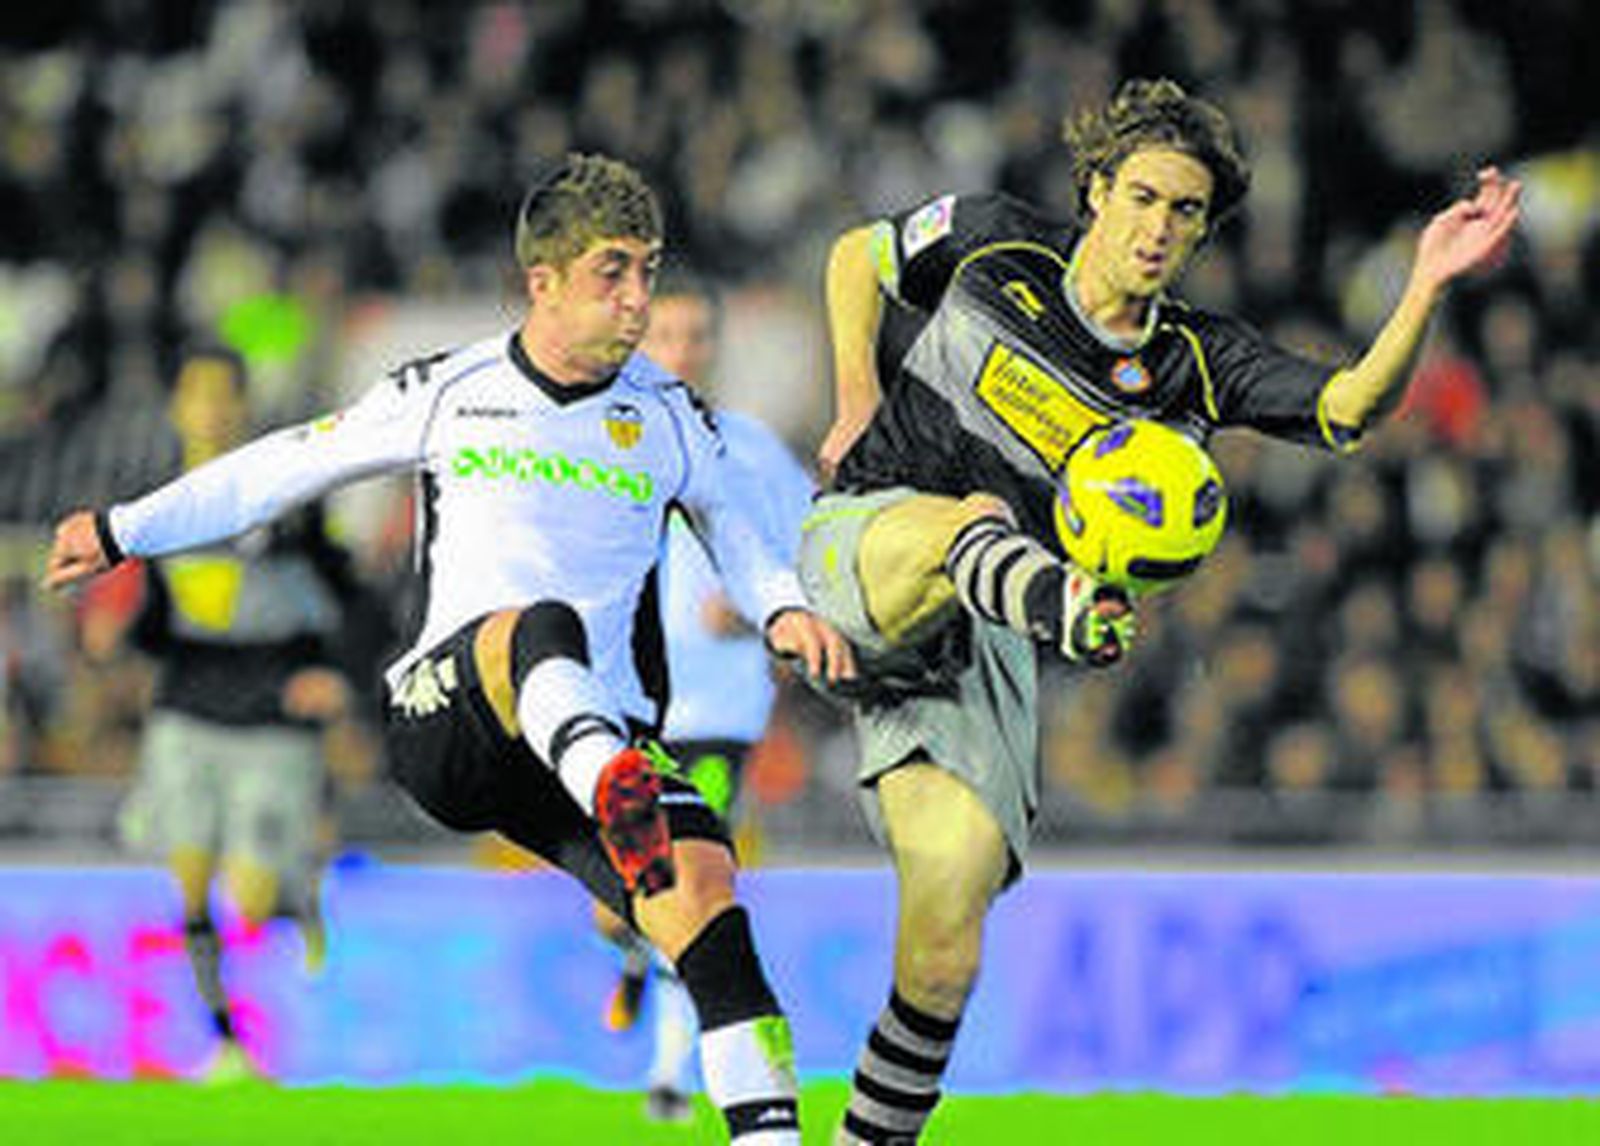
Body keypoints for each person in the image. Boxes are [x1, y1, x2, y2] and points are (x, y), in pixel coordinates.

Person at [45, 153, 855, 1143]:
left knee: (709, 904)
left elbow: (739, 533)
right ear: (543, 280)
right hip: (451, 720)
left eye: (648, 270)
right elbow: (282, 470)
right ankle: (612, 782)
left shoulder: (669, 414)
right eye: (613, 272)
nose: (639, 300)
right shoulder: (448, 389)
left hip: (587, 743)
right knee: (533, 628)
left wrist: (779, 611)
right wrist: (125, 527)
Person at [800, 77, 1519, 1143]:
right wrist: (856, 392)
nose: (1159, 228)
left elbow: (1345, 410)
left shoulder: (1191, 361)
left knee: (945, 949)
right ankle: (1053, 593)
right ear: (1096, 189)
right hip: (874, 535)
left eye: (1185, 213)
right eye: (1142, 197)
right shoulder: (996, 246)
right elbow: (858, 253)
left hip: (979, 646)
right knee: (965, 524)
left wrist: (1423, 284)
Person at [79, 345, 375, 1082]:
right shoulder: (148, 505)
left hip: (273, 714)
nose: (210, 409)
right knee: (186, 880)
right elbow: (151, 615)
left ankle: (295, 890)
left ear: (241, 408)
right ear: (179, 406)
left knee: (247, 901)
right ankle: (225, 1039)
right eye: (198, 395)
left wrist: (335, 673)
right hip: (186, 708)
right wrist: (117, 636)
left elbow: (356, 601)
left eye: (223, 396)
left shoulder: (283, 496)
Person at [591, 267, 817, 1122]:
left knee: (696, 883)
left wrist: (764, 605)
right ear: (640, 340)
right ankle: (623, 949)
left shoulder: (750, 448)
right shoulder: (596, 439)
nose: (682, 353)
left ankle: (670, 1077)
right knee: (629, 898)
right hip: (616, 707)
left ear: (715, 347)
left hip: (719, 713)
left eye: (696, 337)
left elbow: (812, 555)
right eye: (666, 337)